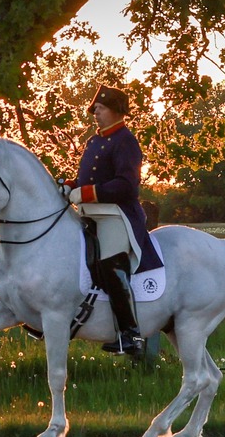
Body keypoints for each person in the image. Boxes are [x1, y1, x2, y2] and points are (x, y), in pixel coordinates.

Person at [62, 85, 161, 357]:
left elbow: (127, 186)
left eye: (100, 108)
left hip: (116, 215)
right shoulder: (94, 141)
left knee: (110, 262)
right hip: (89, 214)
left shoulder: (126, 141)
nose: (95, 112)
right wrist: (70, 184)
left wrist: (86, 192)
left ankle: (130, 334)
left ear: (116, 111)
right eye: (95, 108)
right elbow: (86, 178)